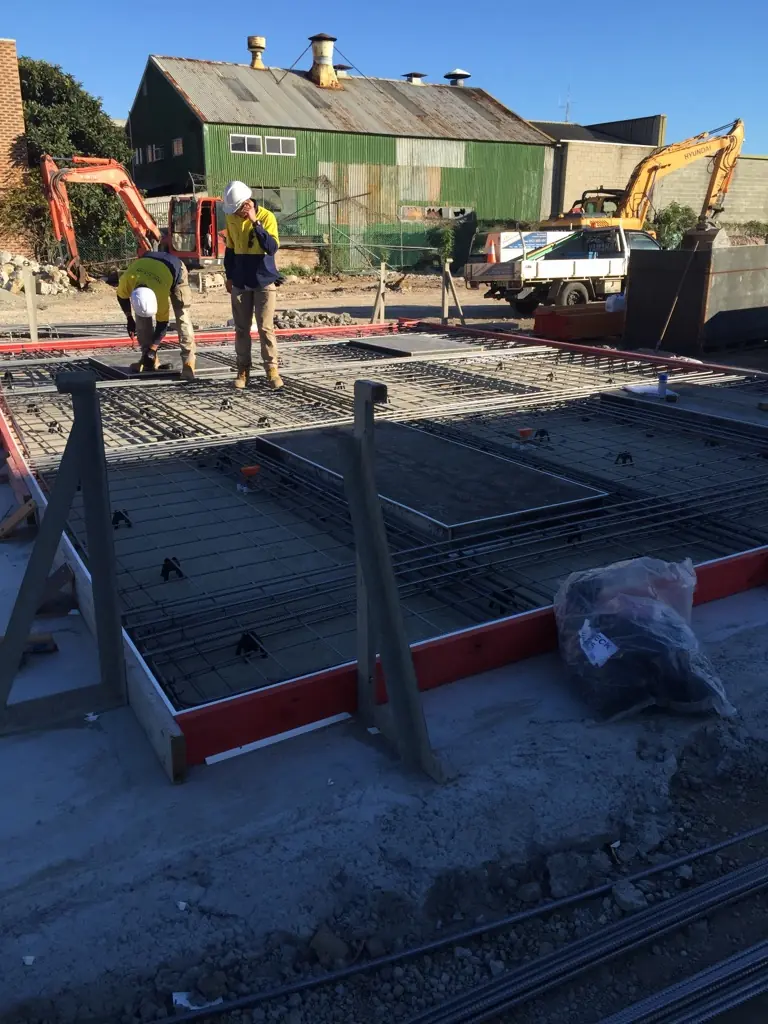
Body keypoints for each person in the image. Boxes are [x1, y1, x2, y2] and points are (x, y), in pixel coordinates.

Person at [221, 180, 283, 390]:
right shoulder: (231, 218)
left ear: (247, 203)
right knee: (241, 329)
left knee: (265, 328)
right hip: (240, 281)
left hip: (264, 280)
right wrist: (229, 276)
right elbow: (229, 251)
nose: (236, 213)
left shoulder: (267, 217)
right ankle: (243, 370)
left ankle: (272, 370)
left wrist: (256, 223)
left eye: (238, 208)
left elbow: (271, 248)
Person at [116, 250, 196, 379]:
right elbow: (121, 297)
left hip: (176, 269)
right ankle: (148, 360)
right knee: (141, 318)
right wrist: (129, 319)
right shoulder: (127, 280)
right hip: (149, 266)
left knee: (182, 316)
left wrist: (153, 348)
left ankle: (188, 363)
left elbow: (163, 325)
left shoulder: (160, 295)